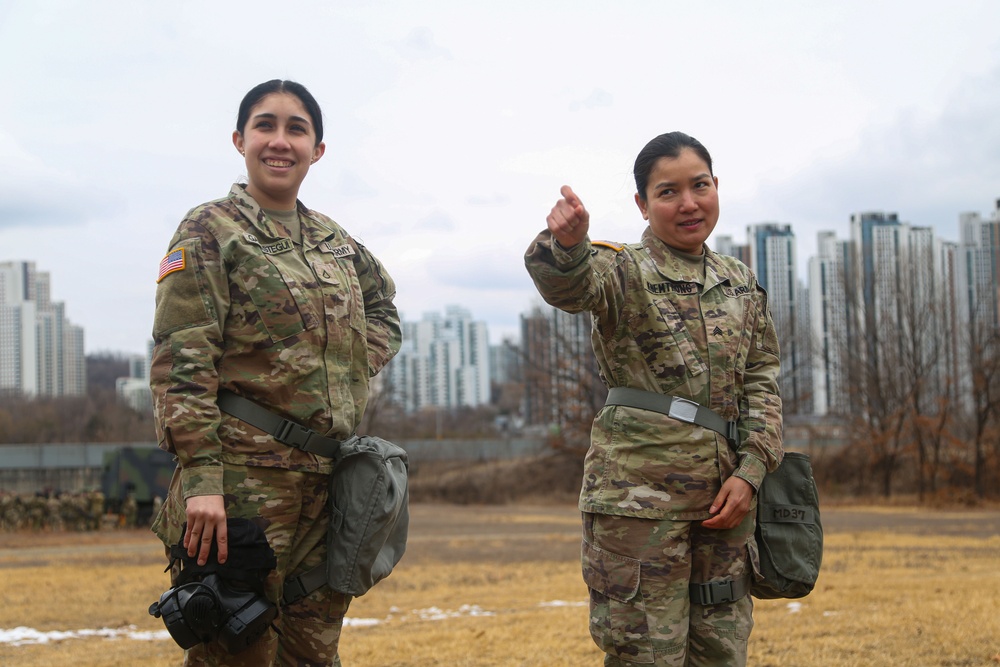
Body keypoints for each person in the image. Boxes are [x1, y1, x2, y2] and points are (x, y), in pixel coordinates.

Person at [150, 79, 401, 666]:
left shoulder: (334, 242)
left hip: (328, 478)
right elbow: (181, 361)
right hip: (241, 483)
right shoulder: (210, 230)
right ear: (240, 140)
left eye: (297, 128)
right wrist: (203, 480)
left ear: (317, 149)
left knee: (314, 652)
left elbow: (383, 308)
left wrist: (347, 366)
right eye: (265, 125)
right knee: (236, 651)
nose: (279, 141)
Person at [524, 132, 782, 666]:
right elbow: (569, 287)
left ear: (717, 188)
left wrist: (752, 470)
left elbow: (762, 379)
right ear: (642, 204)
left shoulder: (740, 282)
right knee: (647, 655)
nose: (688, 203)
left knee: (721, 652)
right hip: (639, 505)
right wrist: (567, 245)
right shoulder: (623, 269)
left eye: (700, 186)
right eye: (668, 192)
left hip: (724, 503)